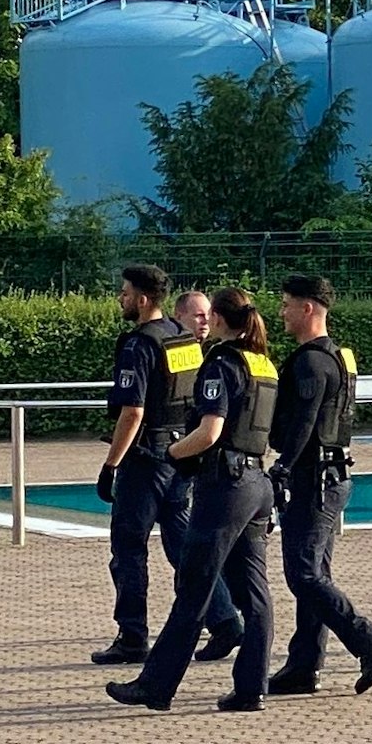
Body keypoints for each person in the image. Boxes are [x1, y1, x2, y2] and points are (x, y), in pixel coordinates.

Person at [106, 287, 277, 713]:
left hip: (226, 487)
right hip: (257, 482)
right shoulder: (264, 363)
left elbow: (210, 431)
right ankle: (251, 688)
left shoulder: (222, 362)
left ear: (218, 318)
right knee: (255, 595)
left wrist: (171, 454)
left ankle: (156, 686)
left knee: (192, 588)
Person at [92, 266, 243, 666]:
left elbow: (133, 411)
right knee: (184, 548)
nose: (121, 299)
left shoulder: (139, 345)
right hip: (178, 456)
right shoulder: (181, 340)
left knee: (128, 550)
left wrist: (111, 464)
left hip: (144, 462)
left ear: (143, 300)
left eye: (125, 293)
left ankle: (132, 636)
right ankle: (225, 619)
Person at [265, 274, 372, 696]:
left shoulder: (309, 361)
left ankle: (370, 640)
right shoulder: (339, 357)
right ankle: (305, 665)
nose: (282, 312)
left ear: (308, 308)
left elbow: (305, 423)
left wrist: (282, 467)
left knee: (303, 574)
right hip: (333, 474)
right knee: (315, 572)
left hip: (313, 479)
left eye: (288, 304)